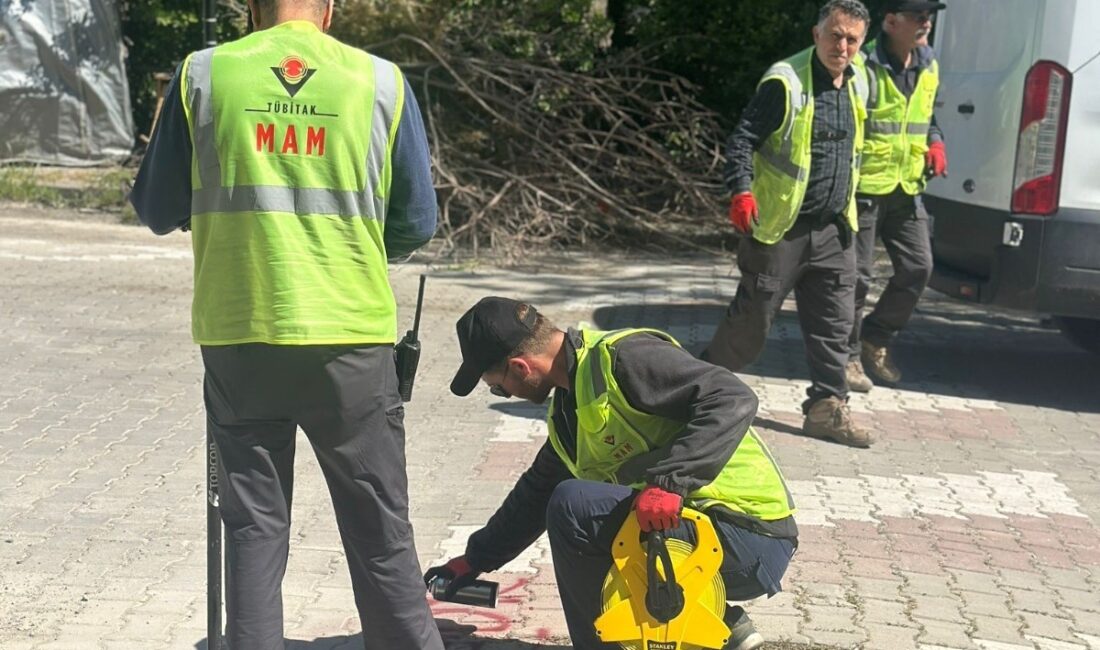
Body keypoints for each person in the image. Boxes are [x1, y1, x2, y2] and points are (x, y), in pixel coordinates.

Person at [129, 1, 444, 648]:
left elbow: (158, 208)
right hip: (350, 339)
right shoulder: (379, 81)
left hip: (240, 334)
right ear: (328, 11)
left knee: (252, 534)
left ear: (251, 10)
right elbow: (416, 223)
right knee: (382, 537)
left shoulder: (204, 75)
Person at [426, 297, 798, 650]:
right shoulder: (569, 412)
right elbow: (534, 495)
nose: (502, 392)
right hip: (696, 533)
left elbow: (732, 397)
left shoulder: (623, 359)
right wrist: (475, 559)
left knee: (574, 506)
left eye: (498, 387)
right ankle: (717, 620)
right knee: (576, 506)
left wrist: (670, 482)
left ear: (521, 367)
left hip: (748, 535)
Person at [700, 0, 873, 447]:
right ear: (817, 34)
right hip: (780, 229)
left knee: (835, 323)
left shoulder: (860, 82)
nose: (843, 46)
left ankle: (827, 408)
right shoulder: (786, 82)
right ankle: (694, 392)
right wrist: (740, 190)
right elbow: (742, 140)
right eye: (835, 35)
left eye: (852, 39)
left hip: (834, 226)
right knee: (752, 323)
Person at [845, 0, 948, 392]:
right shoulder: (863, 65)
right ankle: (849, 358)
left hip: (908, 189)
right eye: (918, 16)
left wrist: (935, 143)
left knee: (918, 268)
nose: (926, 23)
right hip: (866, 188)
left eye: (929, 17)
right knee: (856, 279)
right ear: (890, 22)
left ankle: (876, 336)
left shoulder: (928, 62)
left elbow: (926, 118)